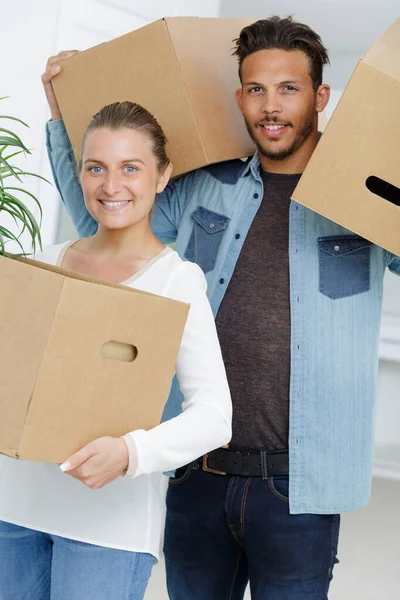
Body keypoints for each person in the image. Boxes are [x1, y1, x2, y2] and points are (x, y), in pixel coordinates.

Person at [42, 15, 399, 600]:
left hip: (299, 488)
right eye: (256, 89)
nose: (271, 106)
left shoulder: (361, 201)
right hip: (196, 473)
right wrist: (63, 114)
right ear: (239, 98)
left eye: (289, 88)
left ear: (321, 97)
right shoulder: (208, 186)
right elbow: (98, 219)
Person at [0, 101, 232, 600]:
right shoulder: (39, 267)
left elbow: (216, 416)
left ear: (162, 175)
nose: (111, 186)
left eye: (131, 168)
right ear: (79, 173)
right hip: (10, 514)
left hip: (108, 530)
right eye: (95, 167)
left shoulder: (176, 281)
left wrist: (130, 452)